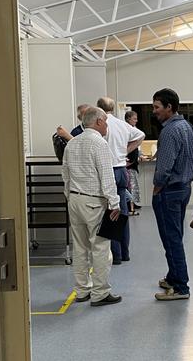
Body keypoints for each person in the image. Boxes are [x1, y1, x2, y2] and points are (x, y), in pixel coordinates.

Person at [61, 107, 122, 307]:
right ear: (97, 122)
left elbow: (66, 174)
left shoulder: (72, 143)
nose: (106, 125)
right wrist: (114, 202)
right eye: (105, 122)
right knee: (101, 247)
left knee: (79, 247)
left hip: (75, 200)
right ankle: (100, 293)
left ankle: (81, 290)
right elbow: (107, 176)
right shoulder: (99, 143)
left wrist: (69, 195)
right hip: (94, 202)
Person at [151, 88, 193, 301]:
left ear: (169, 107)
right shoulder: (188, 127)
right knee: (175, 235)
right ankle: (173, 276)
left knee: (171, 239)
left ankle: (181, 286)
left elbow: (164, 168)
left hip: (169, 191)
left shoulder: (170, 131)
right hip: (184, 188)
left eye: (156, 107)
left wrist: (157, 186)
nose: (154, 111)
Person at [97, 97, 145, 264]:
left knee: (111, 212)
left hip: (108, 171)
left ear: (99, 108)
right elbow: (140, 135)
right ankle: (125, 253)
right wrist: (125, 150)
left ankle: (115, 255)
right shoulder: (122, 124)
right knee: (122, 212)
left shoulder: (101, 124)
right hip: (121, 170)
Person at [124, 110, 142, 215]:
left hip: (132, 163)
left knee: (133, 185)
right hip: (128, 164)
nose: (136, 121)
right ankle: (130, 208)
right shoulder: (126, 131)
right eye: (134, 119)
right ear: (128, 119)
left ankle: (133, 204)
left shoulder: (134, 131)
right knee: (131, 186)